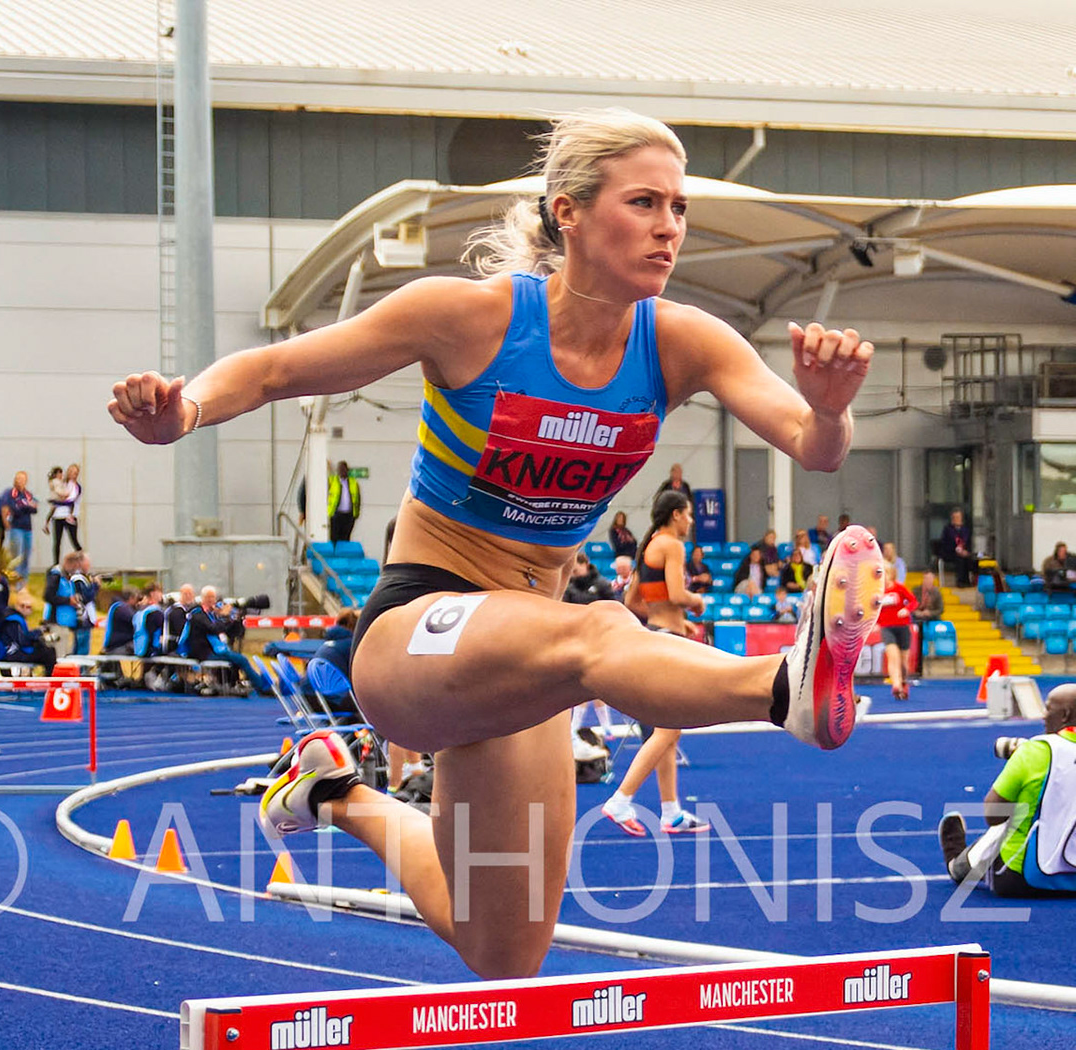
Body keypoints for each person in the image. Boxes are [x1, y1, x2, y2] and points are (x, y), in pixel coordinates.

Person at [111, 108, 882, 978]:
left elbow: (813, 447)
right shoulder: (468, 318)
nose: (669, 227)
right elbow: (276, 369)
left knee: (504, 953)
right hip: (418, 632)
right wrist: (183, 412)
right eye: (644, 203)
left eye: (679, 208)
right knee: (601, 630)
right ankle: (789, 688)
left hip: (525, 656)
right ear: (570, 212)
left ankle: (334, 793)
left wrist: (828, 406)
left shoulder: (681, 342)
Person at [605, 488, 709, 834]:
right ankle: (621, 799)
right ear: (676, 514)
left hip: (656, 634)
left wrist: (675, 618)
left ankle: (671, 812)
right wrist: (695, 604)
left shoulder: (647, 547)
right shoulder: (672, 546)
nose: (691, 521)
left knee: (667, 731)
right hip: (670, 642)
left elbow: (633, 599)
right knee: (669, 729)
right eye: (689, 514)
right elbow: (679, 594)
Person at [939, 685, 1076, 897]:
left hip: (1021, 880)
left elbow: (993, 815)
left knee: (1014, 817)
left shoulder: (1036, 751)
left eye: (1048, 709)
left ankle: (958, 864)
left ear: (1065, 715)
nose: (1043, 716)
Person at [181, 586, 265, 695]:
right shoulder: (198, 613)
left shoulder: (212, 614)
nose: (212, 600)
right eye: (209, 597)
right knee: (241, 659)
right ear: (203, 599)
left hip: (215, 650)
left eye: (213, 597)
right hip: (204, 652)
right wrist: (223, 616)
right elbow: (214, 629)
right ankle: (262, 687)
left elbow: (229, 632)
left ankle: (234, 685)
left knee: (236, 658)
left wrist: (234, 619)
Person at [873, 568, 918, 699]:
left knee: (904, 661)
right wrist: (874, 623)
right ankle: (896, 684)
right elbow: (873, 608)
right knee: (893, 656)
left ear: (891, 575)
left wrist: (906, 610)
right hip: (886, 627)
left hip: (902, 626)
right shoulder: (877, 592)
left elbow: (913, 601)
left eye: (885, 575)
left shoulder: (899, 588)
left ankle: (903, 682)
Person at [0, 594, 56, 674]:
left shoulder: (11, 617)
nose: (31, 611)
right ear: (22, 607)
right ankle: (50, 680)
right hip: (12, 654)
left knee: (45, 650)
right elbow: (22, 641)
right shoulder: (14, 620)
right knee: (48, 652)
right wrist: (37, 634)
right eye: (29, 607)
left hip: (11, 652)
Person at [2, 470, 39, 578]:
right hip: (16, 527)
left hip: (27, 528)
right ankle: (15, 579)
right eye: (18, 478)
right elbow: (12, 508)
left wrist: (24, 506)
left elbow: (35, 509)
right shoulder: (10, 494)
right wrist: (27, 506)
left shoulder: (28, 495)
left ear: (26, 481)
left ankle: (24, 581)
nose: (19, 481)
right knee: (16, 555)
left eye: (22, 479)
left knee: (26, 555)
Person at [48, 463, 83, 565]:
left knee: (74, 541)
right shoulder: (61, 484)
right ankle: (56, 565)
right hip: (58, 516)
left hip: (70, 516)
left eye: (75, 473)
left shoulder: (76, 487)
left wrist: (56, 502)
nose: (72, 474)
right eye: (70, 471)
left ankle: (83, 562)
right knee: (57, 542)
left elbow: (70, 501)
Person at [328, 460, 362, 544]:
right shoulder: (332, 481)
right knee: (334, 538)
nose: (341, 471)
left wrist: (356, 514)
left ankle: (344, 555)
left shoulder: (353, 482)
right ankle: (335, 555)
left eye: (343, 469)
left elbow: (358, 498)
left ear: (347, 470)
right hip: (335, 514)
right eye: (339, 469)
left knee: (346, 538)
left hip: (349, 515)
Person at [101, 586, 137, 655]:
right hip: (117, 647)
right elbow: (135, 621)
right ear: (131, 598)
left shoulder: (117, 606)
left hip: (114, 645)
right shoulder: (122, 609)